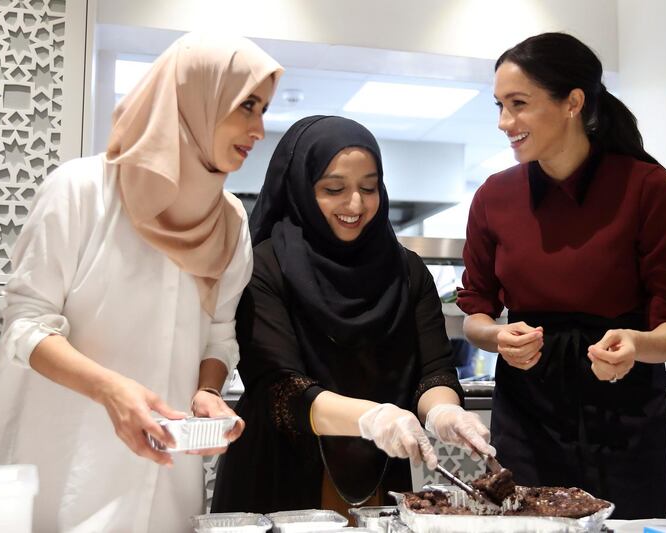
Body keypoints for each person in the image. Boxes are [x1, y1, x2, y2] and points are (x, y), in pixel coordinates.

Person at [0, 32, 282, 532]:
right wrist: (110, 390)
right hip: (65, 465)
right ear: (194, 99)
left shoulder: (229, 221)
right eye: (246, 106)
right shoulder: (81, 191)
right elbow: (25, 327)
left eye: (263, 110)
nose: (259, 128)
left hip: (165, 476)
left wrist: (207, 393)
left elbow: (218, 334)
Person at [457, 32, 666, 519]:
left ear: (573, 102)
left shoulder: (647, 188)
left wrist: (637, 345)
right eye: (499, 105)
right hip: (526, 407)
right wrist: (495, 335)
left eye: (518, 104)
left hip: (624, 406)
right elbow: (475, 312)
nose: (504, 122)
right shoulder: (494, 196)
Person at [211, 115, 494, 517]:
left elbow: (435, 372)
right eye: (334, 189)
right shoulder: (265, 267)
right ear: (301, 190)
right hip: (278, 475)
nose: (356, 204)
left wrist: (444, 410)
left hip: (377, 473)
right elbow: (282, 389)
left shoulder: (407, 272)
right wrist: (373, 418)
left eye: (369, 187)